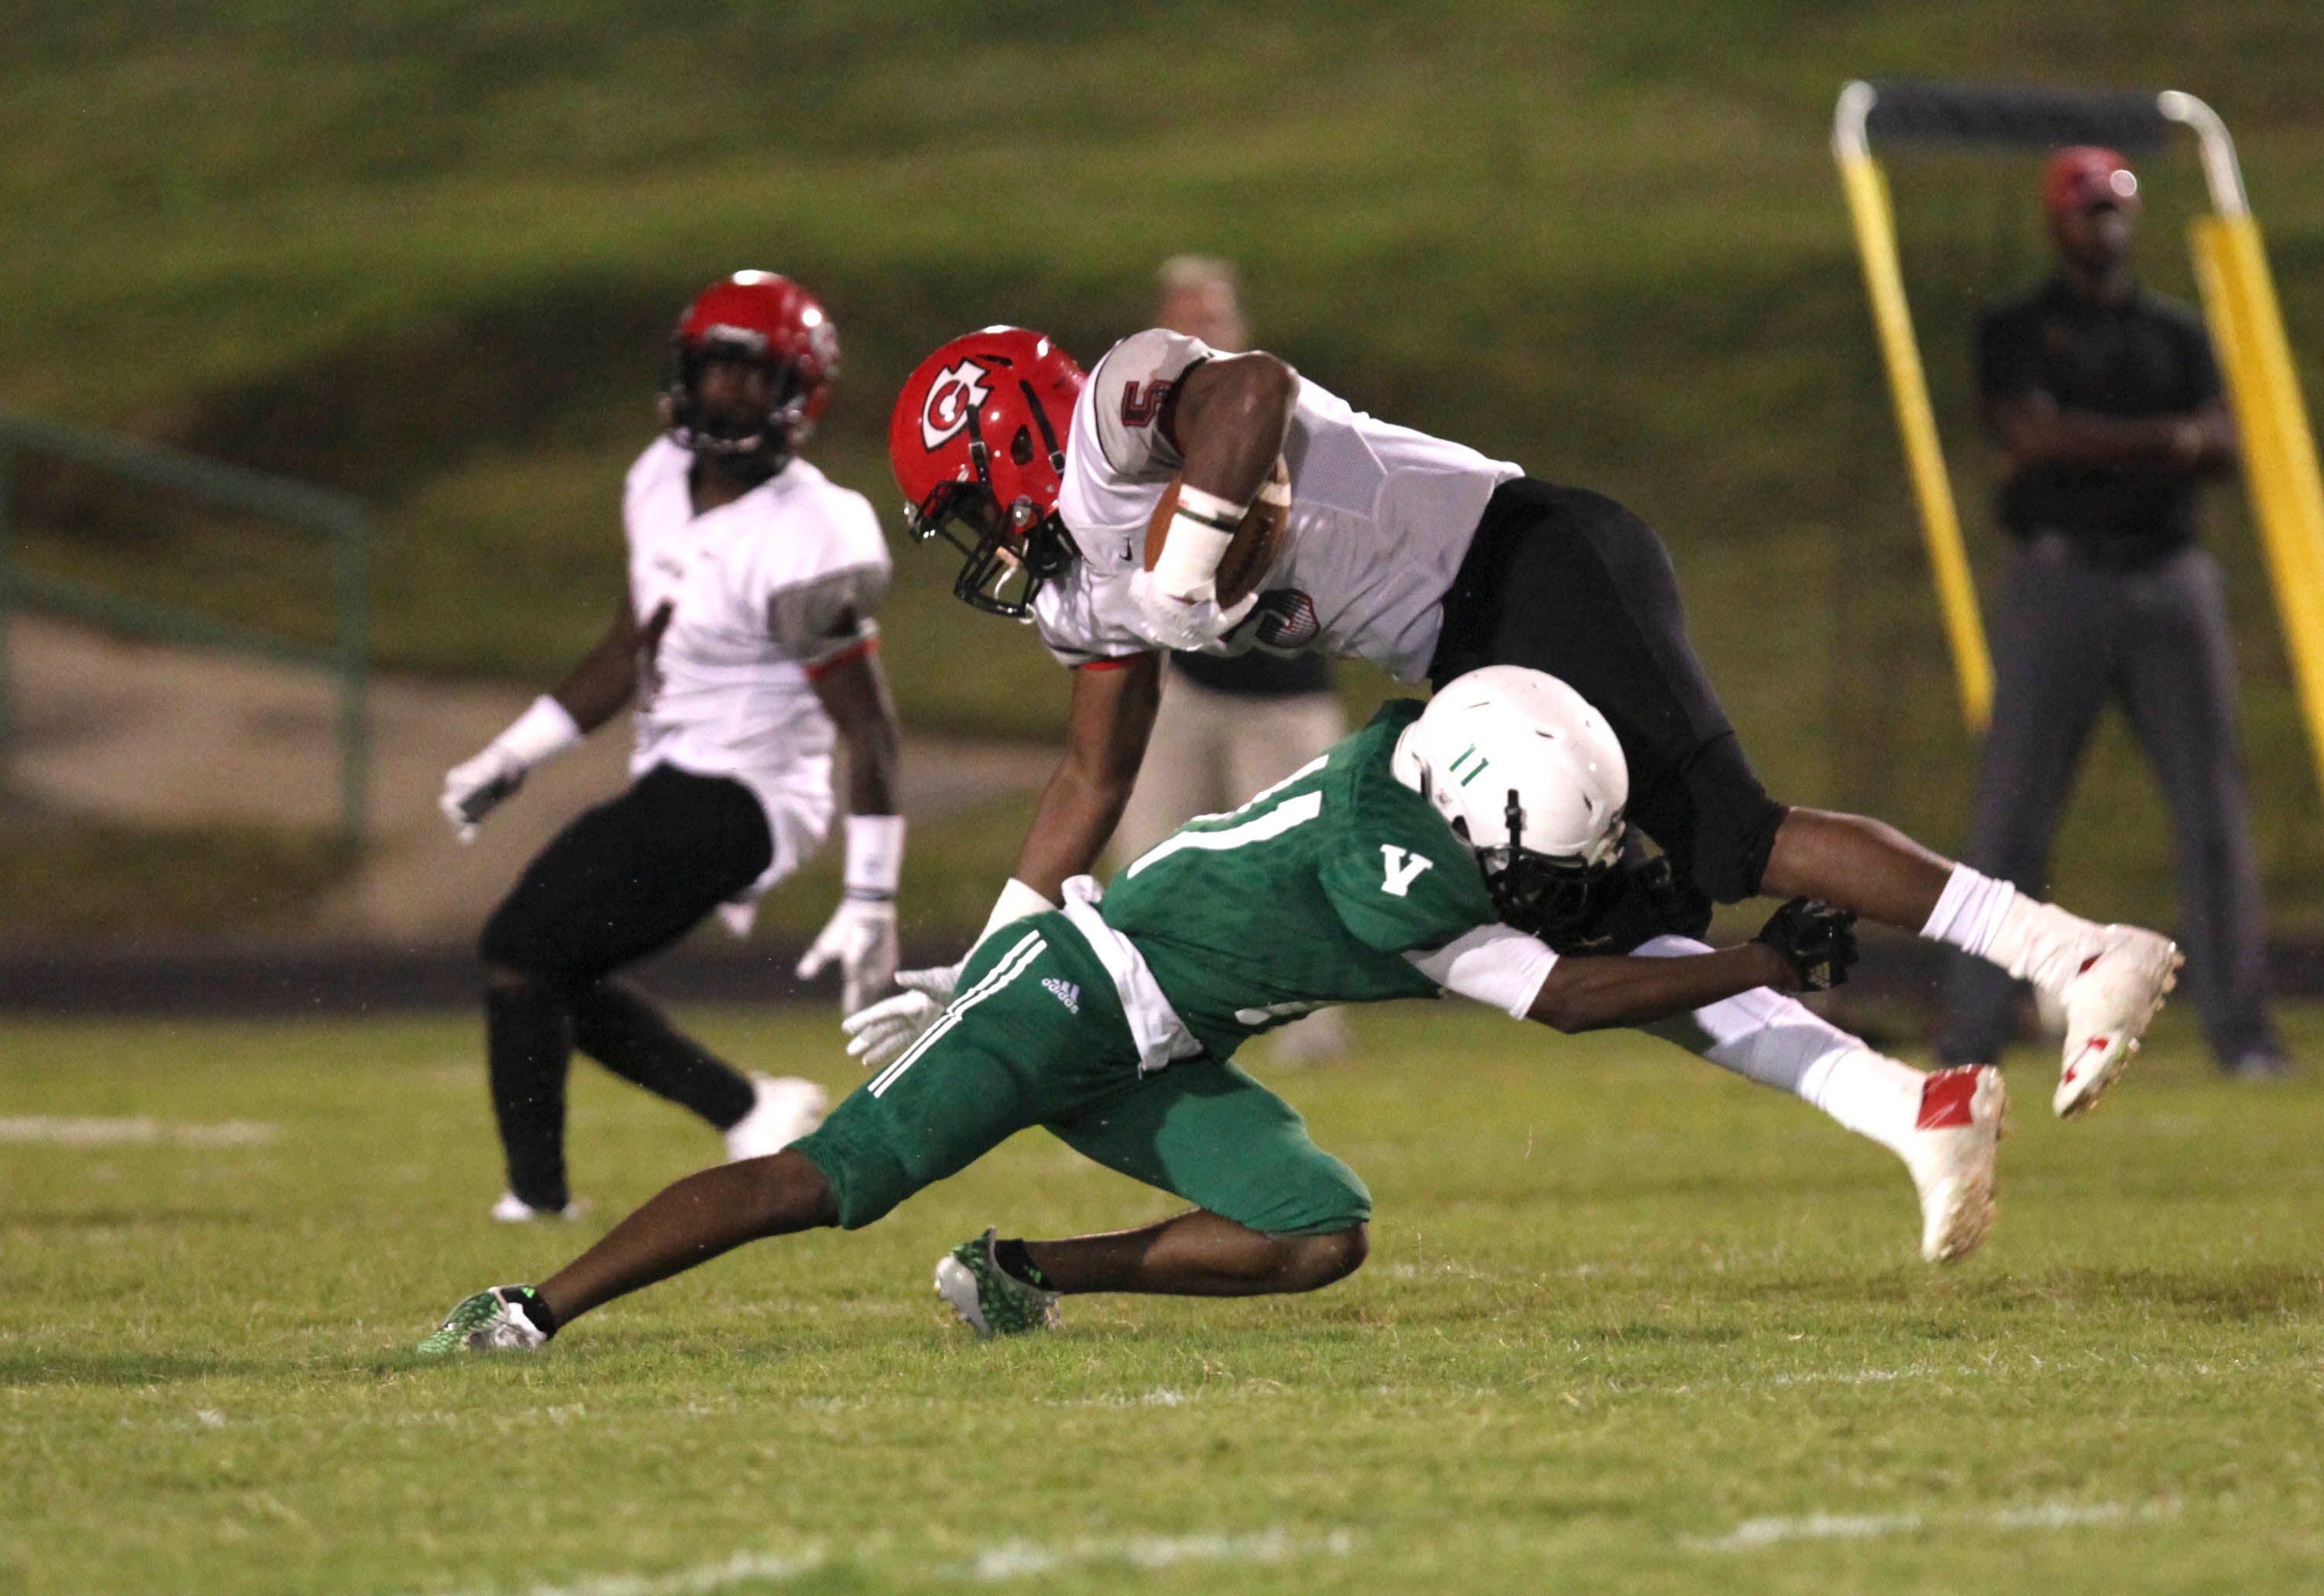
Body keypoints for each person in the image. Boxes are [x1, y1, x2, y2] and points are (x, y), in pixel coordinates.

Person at [419, 668, 2005, 1356]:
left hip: (1158, 1038)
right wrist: (1742, 959)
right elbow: (1575, 998)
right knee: (823, 1185)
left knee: (1317, 1230)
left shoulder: (1434, 772)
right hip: (1061, 1005)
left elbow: (1563, 918)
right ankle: (530, 1309)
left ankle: (1016, 1273)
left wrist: (1730, 942)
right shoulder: (1396, 870)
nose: (1546, 877)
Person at [882, 317, 2181, 1124]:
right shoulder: (1080, 593)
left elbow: (1251, 390)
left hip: (1527, 559)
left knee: (1730, 839)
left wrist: (1186, 564)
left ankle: (2072, 949)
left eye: (967, 505)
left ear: (1009, 436)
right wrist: (994, 949)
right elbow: (1091, 776)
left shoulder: (1117, 428)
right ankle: (1912, 1110)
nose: (983, 544)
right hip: (1456, 649)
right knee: (1600, 927)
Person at [438, 271, 905, 1222]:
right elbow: (625, 647)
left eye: (749, 376)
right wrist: (513, 754)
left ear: (795, 393)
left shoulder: (808, 534)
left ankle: (537, 1200)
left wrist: (871, 895)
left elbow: (870, 727)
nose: (725, 394)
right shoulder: (656, 479)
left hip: (752, 794)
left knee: (521, 946)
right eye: (712, 371)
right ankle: (747, 1106)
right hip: (674, 774)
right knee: (546, 965)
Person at [1938, 147, 2286, 1080]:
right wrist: (2160, 441)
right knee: (2012, 815)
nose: (2107, 226)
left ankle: (2241, 1034)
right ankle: (1969, 1031)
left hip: (2169, 581)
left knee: (2210, 811)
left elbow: (2220, 440)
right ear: (2058, 221)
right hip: (2058, 584)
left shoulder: (2173, 331)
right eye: (2090, 210)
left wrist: (2090, 445)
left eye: (2117, 209)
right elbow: (2028, 436)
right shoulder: (2017, 327)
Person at [1113, 255, 1353, 1064]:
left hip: (1283, 688)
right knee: (1148, 858)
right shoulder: (1141, 432)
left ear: (1237, 329)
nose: (1195, 336)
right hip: (1180, 681)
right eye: (1179, 321)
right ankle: (1147, 1023)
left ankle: (1311, 1034)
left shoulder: (1292, 418)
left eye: (1208, 319)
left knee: (1299, 869)